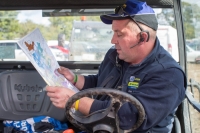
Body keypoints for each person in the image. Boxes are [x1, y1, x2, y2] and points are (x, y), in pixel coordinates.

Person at [46, 0, 187, 132]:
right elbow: (100, 84)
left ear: (142, 38)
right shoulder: (115, 56)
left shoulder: (169, 75)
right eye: (113, 33)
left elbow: (128, 117)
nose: (113, 40)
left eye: (119, 34)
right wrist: (75, 79)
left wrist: (74, 101)